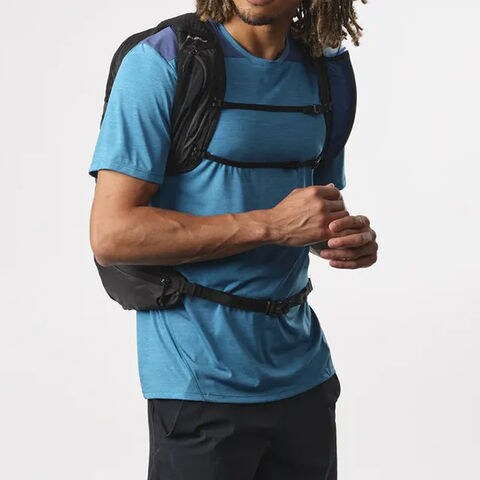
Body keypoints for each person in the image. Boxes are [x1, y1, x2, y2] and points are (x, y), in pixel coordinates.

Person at [88, 0, 377, 478]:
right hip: (199, 383)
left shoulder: (327, 70)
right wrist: (272, 225)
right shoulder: (162, 61)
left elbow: (309, 209)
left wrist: (340, 237)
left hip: (305, 377)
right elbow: (112, 234)